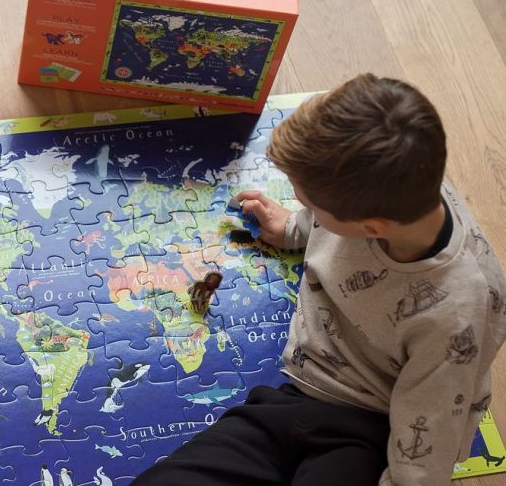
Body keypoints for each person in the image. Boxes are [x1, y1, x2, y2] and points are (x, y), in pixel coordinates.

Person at [132, 74, 506, 485]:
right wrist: (293, 225)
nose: (302, 205)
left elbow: (427, 442)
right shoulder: (400, 178)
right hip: (289, 401)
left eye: (308, 202)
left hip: (369, 430)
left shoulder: (457, 313)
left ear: (371, 227)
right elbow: (326, 215)